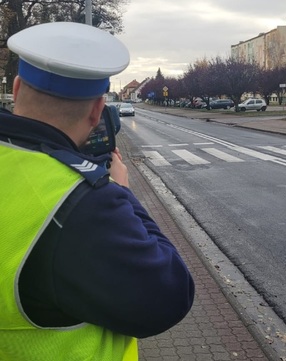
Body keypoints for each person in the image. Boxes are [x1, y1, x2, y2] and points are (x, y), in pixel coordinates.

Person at [0, 22, 194, 361]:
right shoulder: (84, 203)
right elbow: (170, 296)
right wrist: (122, 193)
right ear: (96, 110)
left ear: (16, 89)